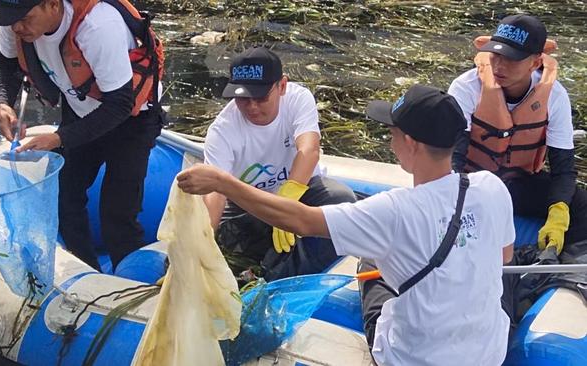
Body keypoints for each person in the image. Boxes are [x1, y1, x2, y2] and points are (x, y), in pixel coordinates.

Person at [178, 84, 515, 365]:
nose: (390, 140)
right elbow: (503, 258)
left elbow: (300, 220)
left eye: (392, 132)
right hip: (488, 353)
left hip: (416, 357)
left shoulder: (393, 211)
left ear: (410, 142)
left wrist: (223, 182)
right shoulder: (491, 187)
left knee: (368, 263)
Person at [0, 0, 165, 271]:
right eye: (11, 20)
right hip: (80, 108)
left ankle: (134, 284)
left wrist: (59, 139)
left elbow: (121, 104)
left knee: (118, 213)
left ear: (53, 5)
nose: (17, 27)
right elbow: (6, 64)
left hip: (132, 119)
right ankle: (87, 274)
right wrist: (2, 103)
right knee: (65, 197)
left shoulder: (98, 26)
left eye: (25, 18)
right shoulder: (15, 24)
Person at [448, 14, 587, 326]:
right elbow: (452, 161)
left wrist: (558, 210)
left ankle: (572, 277)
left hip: (518, 182)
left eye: (512, 59)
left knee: (580, 202)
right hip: (472, 185)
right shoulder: (466, 87)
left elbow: (563, 169)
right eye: (496, 55)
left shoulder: (555, 96)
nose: (499, 66)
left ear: (536, 61)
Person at [202, 46, 356, 281]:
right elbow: (216, 192)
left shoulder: (298, 99)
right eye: (243, 98)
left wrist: (287, 200)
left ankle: (275, 277)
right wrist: (202, 239)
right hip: (249, 202)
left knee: (341, 201)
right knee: (228, 239)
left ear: (281, 86)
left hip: (301, 192)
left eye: (261, 98)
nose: (252, 107)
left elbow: (309, 149)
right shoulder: (222, 131)